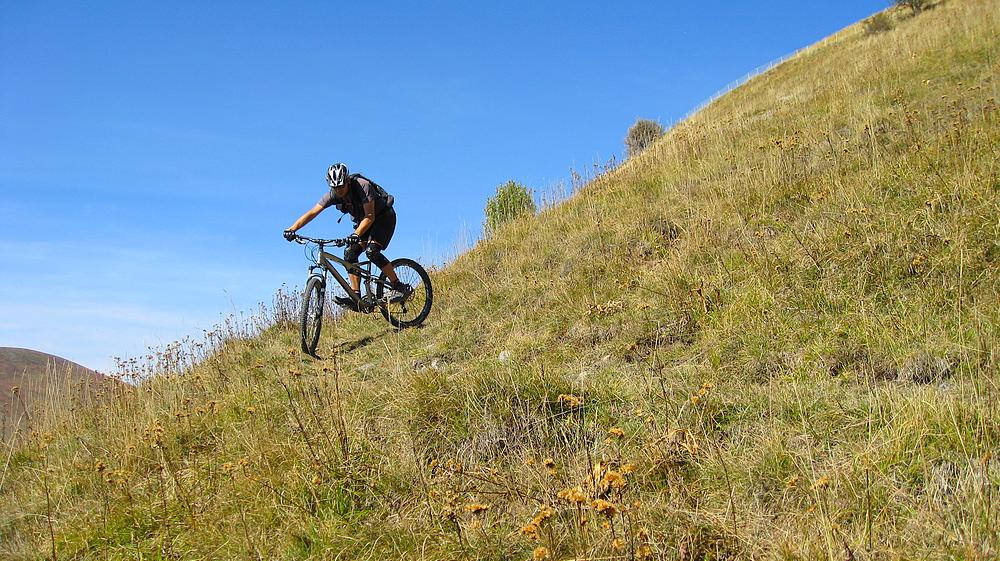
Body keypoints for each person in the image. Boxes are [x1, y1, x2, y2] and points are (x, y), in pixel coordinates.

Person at [284, 163, 410, 310]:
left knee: (372, 251)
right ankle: (356, 297)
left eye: (341, 186)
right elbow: (313, 212)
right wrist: (292, 229)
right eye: (335, 188)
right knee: (350, 254)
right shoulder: (333, 195)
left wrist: (356, 234)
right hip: (364, 224)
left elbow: (370, 216)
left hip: (383, 218)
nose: (339, 190)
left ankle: (398, 286)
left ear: (347, 181)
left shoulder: (363, 186)